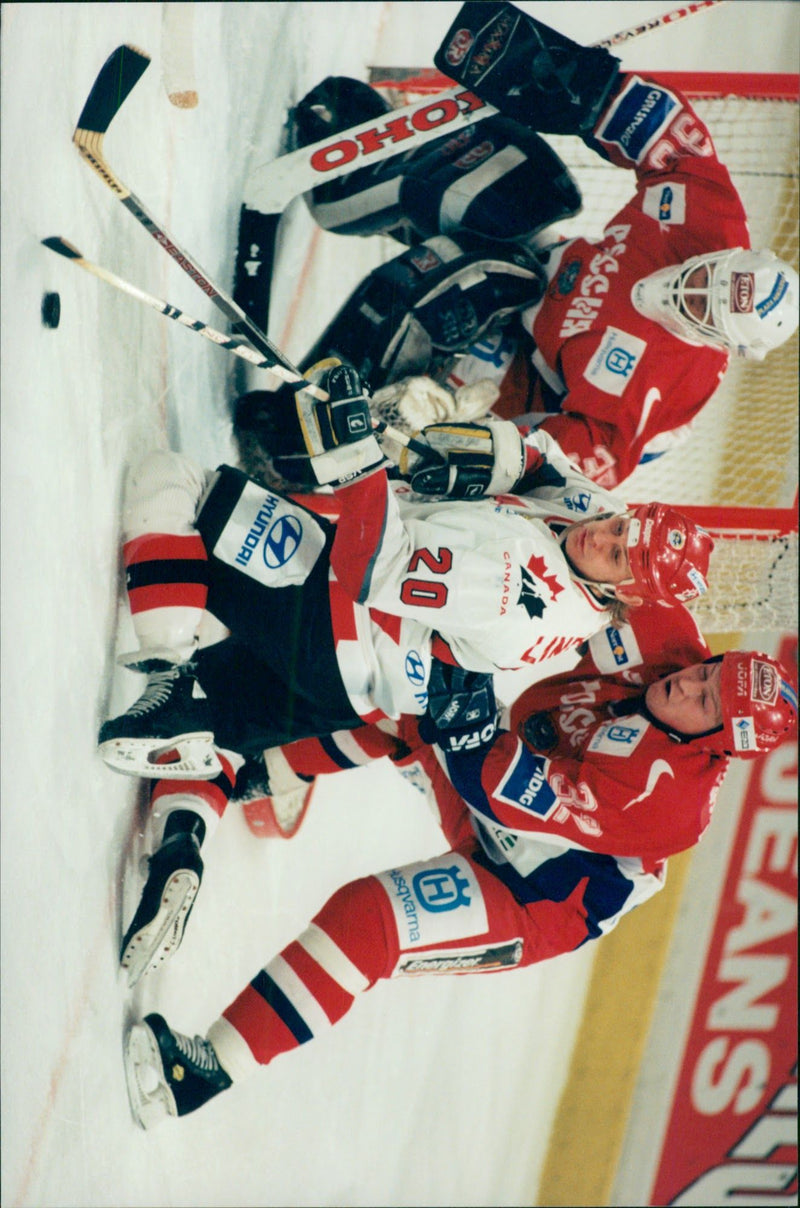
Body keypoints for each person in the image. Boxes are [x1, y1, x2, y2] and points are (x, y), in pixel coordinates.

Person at [121, 645, 797, 1130]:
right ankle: (246, 771)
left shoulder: (667, 803)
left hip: (532, 895)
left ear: (718, 743)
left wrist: (465, 709)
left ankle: (203, 1074)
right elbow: (590, 551)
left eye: (705, 699)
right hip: (509, 793)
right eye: (707, 671)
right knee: (403, 696)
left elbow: (503, 792)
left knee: (372, 918)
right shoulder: (666, 646)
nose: (688, 684)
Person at [256, 2, 799, 490]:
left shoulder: (658, 381)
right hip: (540, 275)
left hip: (523, 385)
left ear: (717, 342)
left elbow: (586, 463)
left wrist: (468, 439)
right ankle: (350, 186)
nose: (693, 287)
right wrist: (593, 93)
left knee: (478, 277)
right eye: (710, 274)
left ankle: (304, 440)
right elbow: (677, 143)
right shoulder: (708, 217)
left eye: (704, 307)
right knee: (531, 181)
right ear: (728, 255)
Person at [98, 362, 712, 787]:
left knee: (173, 482)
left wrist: (356, 455)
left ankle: (167, 669)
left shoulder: (519, 588)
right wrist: (503, 457)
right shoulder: (598, 524)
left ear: (622, 591)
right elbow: (546, 464)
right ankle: (185, 727)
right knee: (217, 702)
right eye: (623, 525)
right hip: (364, 688)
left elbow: (373, 568)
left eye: (617, 553)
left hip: (337, 620)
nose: (603, 534)